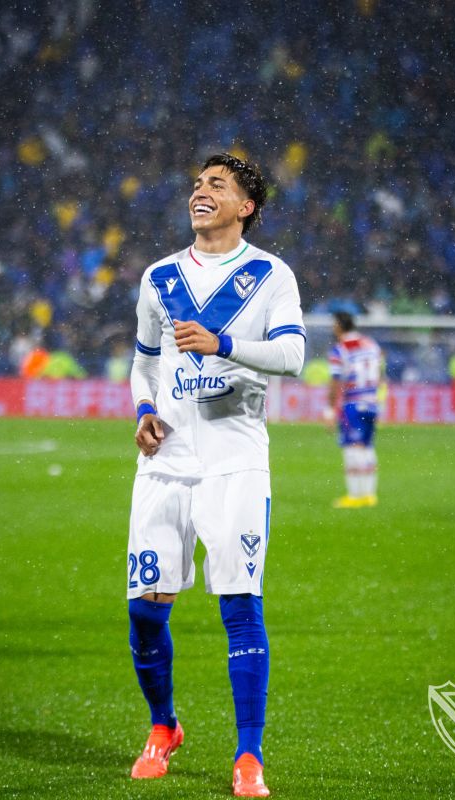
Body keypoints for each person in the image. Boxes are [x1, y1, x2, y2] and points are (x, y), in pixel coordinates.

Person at [126, 153, 305, 797]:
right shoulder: (159, 276)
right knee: (144, 611)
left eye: (217, 185)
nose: (200, 192)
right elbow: (144, 362)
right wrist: (144, 408)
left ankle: (248, 755)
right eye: (198, 183)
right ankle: (164, 725)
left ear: (245, 207)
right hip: (166, 464)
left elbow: (292, 354)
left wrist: (223, 343)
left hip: (236, 463)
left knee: (239, 604)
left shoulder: (271, 275)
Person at [324, 312, 382, 509]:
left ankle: (355, 495)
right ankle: (369, 495)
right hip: (372, 402)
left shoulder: (340, 349)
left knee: (352, 449)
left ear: (339, 325)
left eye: (334, 324)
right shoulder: (371, 344)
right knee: (367, 447)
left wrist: (330, 409)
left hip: (353, 404)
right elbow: (380, 372)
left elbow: (335, 381)